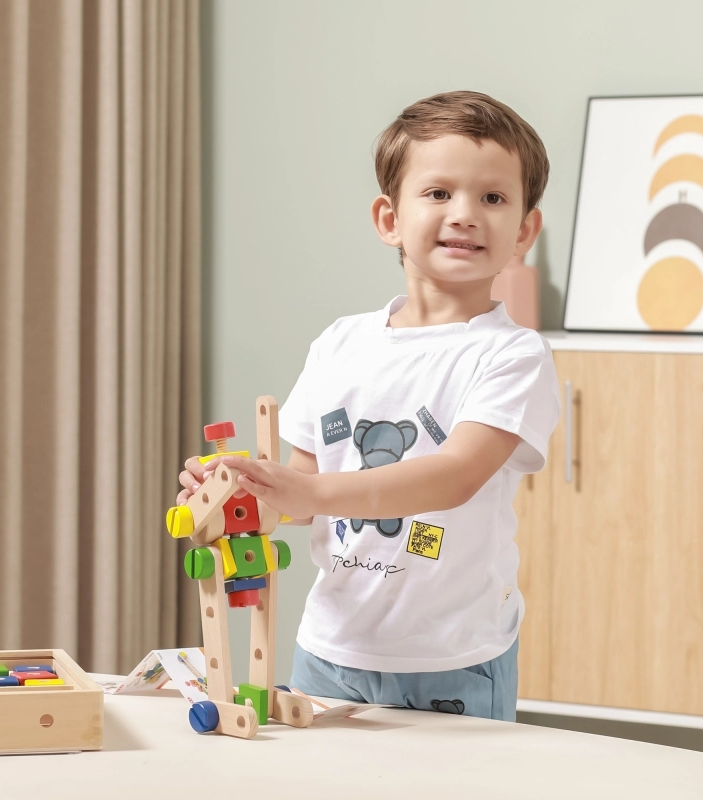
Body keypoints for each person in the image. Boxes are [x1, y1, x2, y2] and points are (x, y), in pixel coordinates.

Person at [178, 91, 560, 721]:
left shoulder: (512, 354)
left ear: (523, 230)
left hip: (452, 658)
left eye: (492, 198)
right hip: (330, 648)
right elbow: (299, 495)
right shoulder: (340, 343)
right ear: (390, 219)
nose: (465, 214)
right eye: (438, 193)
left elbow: (454, 476)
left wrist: (307, 492)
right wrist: (241, 495)